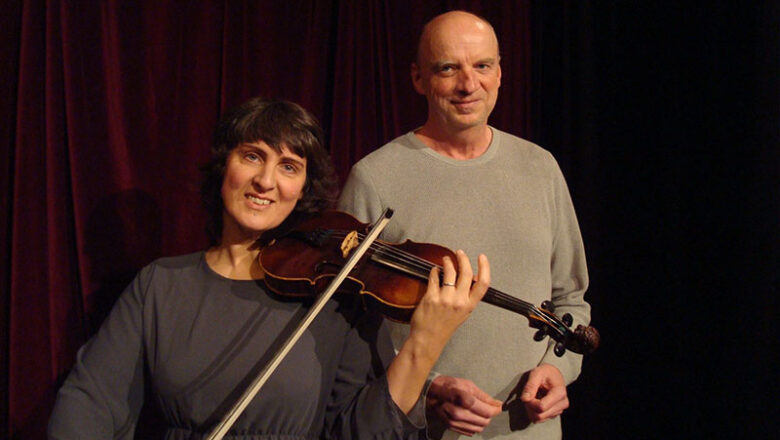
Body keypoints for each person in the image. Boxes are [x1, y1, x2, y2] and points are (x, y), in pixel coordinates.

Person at [48, 97, 490, 440]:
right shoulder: (161, 286)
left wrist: (425, 343)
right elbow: (90, 400)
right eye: (252, 156)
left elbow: (361, 432)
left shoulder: (336, 295)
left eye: (289, 167)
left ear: (303, 190)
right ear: (225, 166)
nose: (266, 181)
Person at [338, 11, 591, 440]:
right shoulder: (375, 178)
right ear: (419, 79)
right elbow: (345, 328)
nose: (468, 84)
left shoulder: (540, 168)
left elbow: (571, 297)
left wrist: (558, 367)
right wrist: (427, 388)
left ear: (500, 74)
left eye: (482, 66)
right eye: (448, 68)